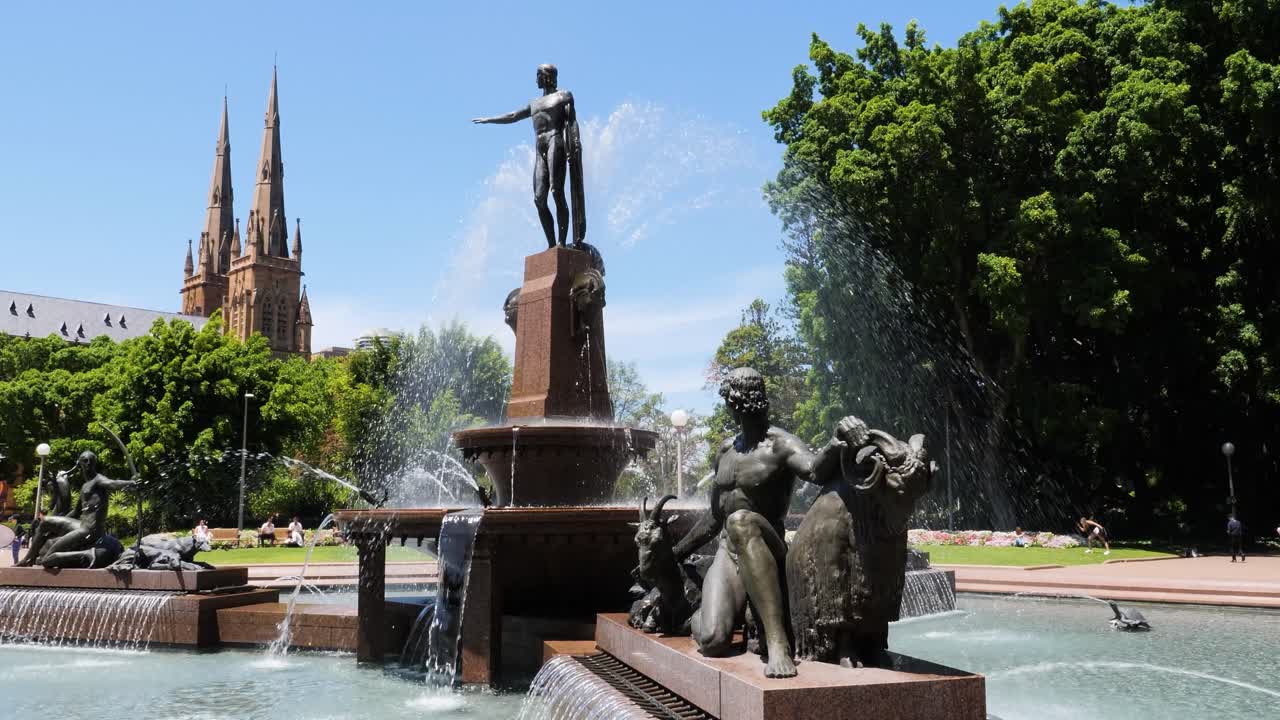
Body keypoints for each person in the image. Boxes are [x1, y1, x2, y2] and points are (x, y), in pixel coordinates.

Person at [670, 368, 847, 678]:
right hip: (729, 551)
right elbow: (714, 516)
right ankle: (706, 612)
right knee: (712, 640)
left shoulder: (781, 445)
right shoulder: (726, 450)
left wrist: (836, 441)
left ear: (736, 403)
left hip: (769, 544)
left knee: (740, 521)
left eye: (727, 401)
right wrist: (676, 553)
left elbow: (815, 471)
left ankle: (777, 644)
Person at [473, 64, 586, 248]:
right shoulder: (534, 103)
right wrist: (489, 119)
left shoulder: (563, 96)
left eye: (538, 75)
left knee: (557, 191)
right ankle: (551, 245)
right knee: (539, 199)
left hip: (555, 141)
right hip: (539, 147)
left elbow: (572, 123)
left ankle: (561, 243)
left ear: (547, 76)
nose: (536, 79)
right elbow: (513, 115)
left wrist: (574, 149)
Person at [17, 451, 138, 568]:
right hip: (81, 525)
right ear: (79, 463)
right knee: (45, 522)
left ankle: (87, 554)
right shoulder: (85, 486)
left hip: (91, 530)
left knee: (47, 560)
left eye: (91, 460)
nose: (89, 463)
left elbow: (112, 483)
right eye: (85, 460)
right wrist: (56, 526)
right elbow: (76, 511)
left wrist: (131, 483)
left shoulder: (98, 479)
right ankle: (29, 558)